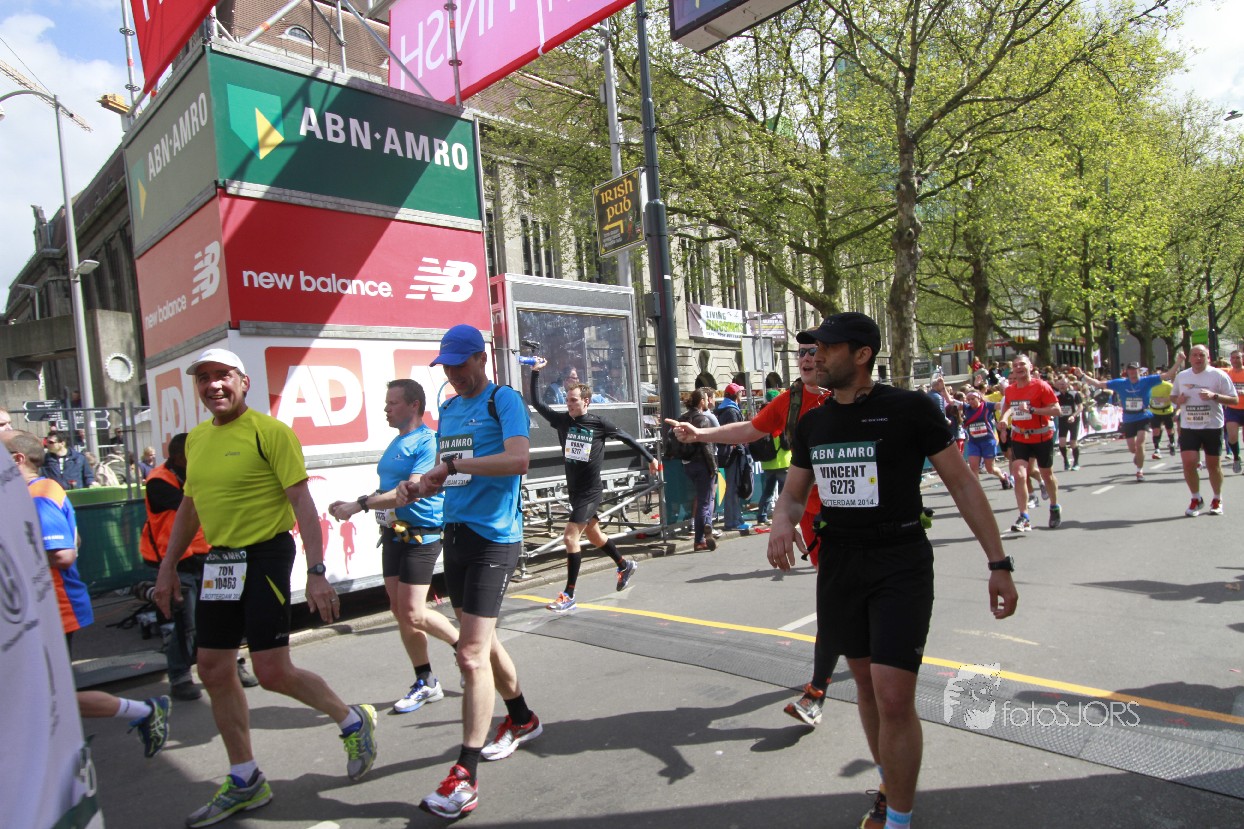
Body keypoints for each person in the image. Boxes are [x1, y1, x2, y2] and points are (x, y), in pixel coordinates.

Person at [765, 312, 1018, 829]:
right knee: (864, 683)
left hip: (899, 560)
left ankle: (898, 819)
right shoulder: (813, 422)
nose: (815, 356)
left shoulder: (910, 408)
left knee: (894, 695)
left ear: (861, 354)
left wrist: (998, 563)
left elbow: (963, 485)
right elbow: (792, 494)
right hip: (840, 562)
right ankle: (888, 782)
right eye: (812, 348)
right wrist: (781, 522)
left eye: (827, 348)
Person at [152, 347, 378, 828]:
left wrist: (317, 571)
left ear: (243, 382)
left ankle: (351, 719)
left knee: (272, 671)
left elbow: (302, 502)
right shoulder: (196, 440)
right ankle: (246, 778)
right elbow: (190, 506)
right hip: (220, 560)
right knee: (212, 668)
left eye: (223, 376)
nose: (213, 385)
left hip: (265, 555)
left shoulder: (270, 432)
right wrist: (168, 566)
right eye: (204, 378)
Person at [396, 325, 542, 820]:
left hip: (494, 538)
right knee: (483, 643)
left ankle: (464, 776)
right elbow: (447, 474)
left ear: (481, 358)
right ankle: (522, 718)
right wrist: (421, 484)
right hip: (455, 535)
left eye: (461, 364)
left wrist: (457, 464)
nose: (454, 373)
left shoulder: (504, 400)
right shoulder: (451, 408)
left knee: (470, 654)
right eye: (447, 366)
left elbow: (518, 460)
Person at [666, 345, 837, 725]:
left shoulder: (856, 397)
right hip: (816, 518)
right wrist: (700, 434)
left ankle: (868, 663)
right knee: (834, 603)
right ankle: (817, 691)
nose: (806, 358)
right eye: (802, 352)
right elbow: (748, 429)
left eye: (815, 351)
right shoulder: (791, 401)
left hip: (865, 521)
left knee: (861, 608)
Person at [3, 429, 172, 759]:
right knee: (44, 694)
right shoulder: (32, 492)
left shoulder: (39, 495)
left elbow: (63, 553)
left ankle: (141, 713)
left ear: (17, 459)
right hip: (39, 609)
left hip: (53, 608)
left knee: (48, 695)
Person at [328, 378, 461, 715]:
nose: (386, 409)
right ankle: (425, 680)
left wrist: (359, 505)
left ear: (414, 405)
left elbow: (411, 490)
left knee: (414, 611)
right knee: (399, 610)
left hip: (421, 534)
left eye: (392, 403)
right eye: (387, 403)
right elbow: (387, 489)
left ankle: (465, 648)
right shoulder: (397, 441)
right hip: (393, 534)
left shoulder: (428, 441)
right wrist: (357, 502)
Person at [529, 357, 654, 613]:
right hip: (575, 492)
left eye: (573, 400)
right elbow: (537, 403)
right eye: (567, 400)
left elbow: (627, 438)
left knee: (570, 537)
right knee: (595, 536)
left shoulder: (598, 423)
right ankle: (624, 565)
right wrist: (535, 373)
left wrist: (650, 458)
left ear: (586, 401)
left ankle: (569, 594)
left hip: (591, 491)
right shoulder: (563, 421)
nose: (569, 404)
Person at [140, 432, 212, 701]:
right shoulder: (158, 481)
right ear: (181, 458)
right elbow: (194, 506)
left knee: (219, 615)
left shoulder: (194, 473)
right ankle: (180, 676)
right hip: (177, 562)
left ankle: (230, 665)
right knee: (186, 622)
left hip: (206, 555)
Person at [1075, 362, 1173, 482]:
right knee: (1133, 448)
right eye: (1130, 370)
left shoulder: (1147, 380)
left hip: (1143, 416)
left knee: (1140, 443)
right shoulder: (1120, 383)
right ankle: (1138, 456)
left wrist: (1179, 361)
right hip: (1128, 418)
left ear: (1139, 371)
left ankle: (1139, 471)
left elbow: (1168, 374)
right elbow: (1099, 384)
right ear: (1127, 372)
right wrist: (1082, 376)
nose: (1132, 373)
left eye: (1135, 370)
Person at [1170, 346, 1236, 516]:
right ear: (1189, 358)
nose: (1198, 358)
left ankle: (1217, 498)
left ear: (1208, 357)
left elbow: (1234, 399)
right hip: (1189, 426)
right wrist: (1178, 400)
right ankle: (1196, 498)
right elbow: (1173, 396)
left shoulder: (1218, 375)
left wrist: (1214, 396)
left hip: (1212, 426)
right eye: (1195, 355)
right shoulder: (1182, 376)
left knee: (1213, 465)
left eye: (1202, 355)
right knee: (1188, 463)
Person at [1002, 355, 1062, 531]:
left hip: (1042, 436)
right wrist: (1004, 421)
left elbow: (1057, 410)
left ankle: (1054, 506)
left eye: (1022, 364)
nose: (1018, 367)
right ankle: (1024, 516)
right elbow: (1008, 408)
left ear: (1030, 366)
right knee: (1019, 474)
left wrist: (1033, 410)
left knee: (1047, 474)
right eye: (1015, 365)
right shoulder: (1010, 390)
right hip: (1020, 437)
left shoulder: (1041, 386)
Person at [676, 388, 721, 551]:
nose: (708, 401)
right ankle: (700, 539)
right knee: (705, 501)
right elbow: (707, 445)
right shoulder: (702, 419)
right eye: (706, 399)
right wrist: (713, 467)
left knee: (703, 498)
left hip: (687, 463)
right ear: (702, 401)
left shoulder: (682, 418)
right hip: (702, 463)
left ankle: (707, 525)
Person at [714, 382, 751, 533]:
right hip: (732, 454)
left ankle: (736, 519)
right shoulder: (731, 411)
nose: (742, 395)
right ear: (736, 395)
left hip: (725, 454)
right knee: (732, 488)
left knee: (730, 488)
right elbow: (736, 433)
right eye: (740, 393)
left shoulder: (722, 409)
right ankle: (732, 521)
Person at [956, 388, 1012, 489]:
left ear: (979, 398)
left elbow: (1003, 405)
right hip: (974, 442)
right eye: (968, 399)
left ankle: (1003, 477)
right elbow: (951, 401)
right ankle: (977, 490)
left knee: (990, 469)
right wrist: (943, 389)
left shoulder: (987, 406)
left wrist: (1012, 402)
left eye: (973, 399)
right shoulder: (966, 408)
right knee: (973, 467)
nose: (970, 401)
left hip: (988, 441)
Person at [1054, 375, 1084, 471]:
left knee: (1073, 442)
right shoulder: (1056, 395)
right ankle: (1066, 461)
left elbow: (1080, 407)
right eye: (1060, 384)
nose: (1062, 386)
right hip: (1062, 420)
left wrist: (1073, 416)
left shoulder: (1074, 394)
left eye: (1063, 384)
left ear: (1068, 384)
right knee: (1062, 442)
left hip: (1073, 420)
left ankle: (1076, 463)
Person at [1148, 368, 1178, 459]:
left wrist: (1165, 399)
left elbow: (1175, 396)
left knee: (1169, 429)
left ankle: (1172, 443)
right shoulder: (1149, 386)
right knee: (1155, 430)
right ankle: (1157, 449)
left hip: (1167, 411)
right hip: (1154, 411)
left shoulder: (1168, 385)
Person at [1222, 349, 1244, 473]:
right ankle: (1236, 457)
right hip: (1232, 409)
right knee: (1232, 436)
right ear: (1230, 360)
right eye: (1233, 358)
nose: (1235, 360)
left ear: (1242, 359)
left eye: (1238, 358)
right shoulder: (1227, 373)